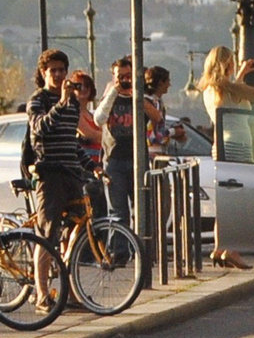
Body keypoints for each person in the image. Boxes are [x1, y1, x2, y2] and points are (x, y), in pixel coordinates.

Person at [26, 50, 95, 313]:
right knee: (47, 234)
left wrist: (92, 166)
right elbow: (40, 128)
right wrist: (61, 102)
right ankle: (42, 294)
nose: (57, 75)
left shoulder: (73, 104)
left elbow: (72, 142)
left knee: (76, 232)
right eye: (52, 70)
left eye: (61, 70)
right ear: (43, 73)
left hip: (71, 174)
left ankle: (70, 291)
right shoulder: (38, 100)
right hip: (49, 175)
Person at [197, 45, 254, 269]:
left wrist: (241, 74)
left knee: (225, 200)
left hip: (221, 145)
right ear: (227, 63)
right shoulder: (231, 89)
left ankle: (220, 247)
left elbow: (230, 100)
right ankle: (231, 249)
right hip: (238, 145)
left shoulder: (210, 89)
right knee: (240, 200)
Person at [94, 56, 163, 227]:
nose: (125, 80)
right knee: (118, 211)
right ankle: (120, 251)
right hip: (114, 159)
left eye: (128, 76)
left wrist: (137, 96)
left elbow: (157, 117)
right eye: (121, 77)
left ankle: (140, 247)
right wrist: (114, 92)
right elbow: (99, 120)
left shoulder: (141, 98)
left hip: (137, 159)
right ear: (114, 77)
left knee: (141, 208)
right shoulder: (109, 98)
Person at [72, 71, 105, 219]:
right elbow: (91, 135)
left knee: (99, 209)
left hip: (96, 166)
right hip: (82, 168)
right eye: (78, 86)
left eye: (87, 86)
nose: (83, 89)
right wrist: (110, 137)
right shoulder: (74, 113)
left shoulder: (92, 115)